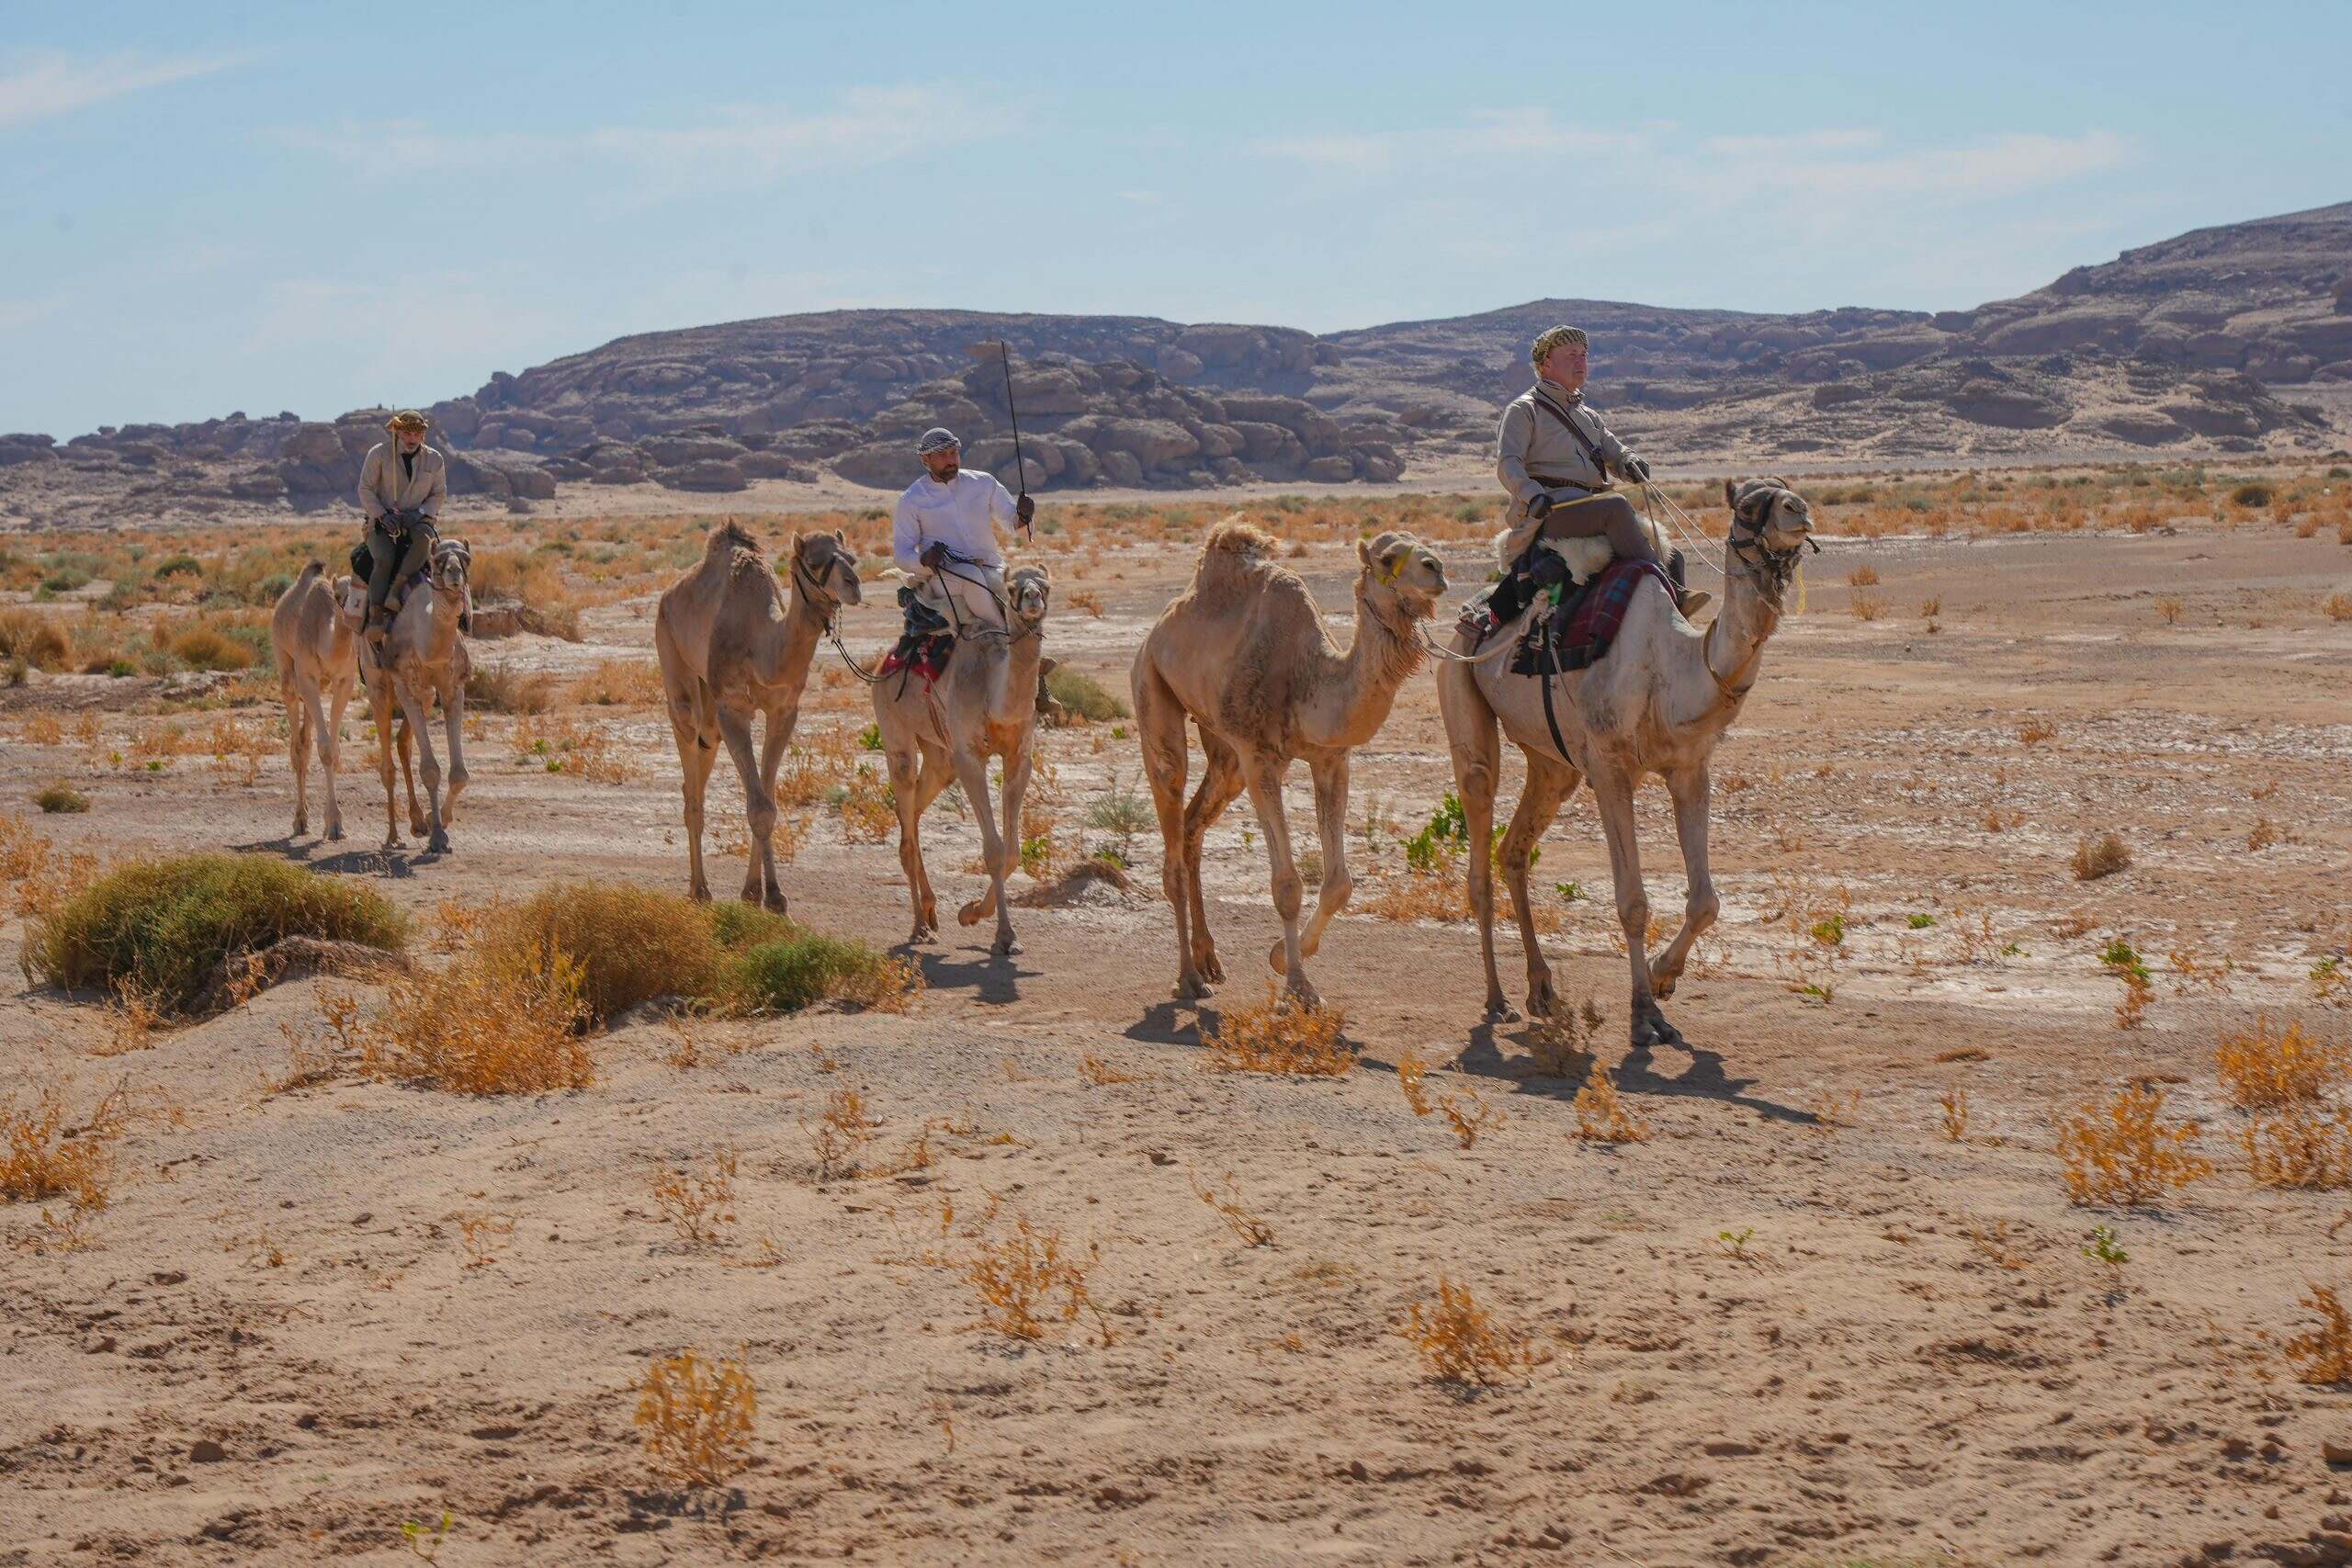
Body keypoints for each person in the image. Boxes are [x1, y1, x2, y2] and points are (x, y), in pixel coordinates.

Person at [1484, 326, 1706, 631]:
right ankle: (1672, 593)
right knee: (1616, 508)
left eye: (1584, 355)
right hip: (1548, 513)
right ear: (1545, 364)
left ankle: (1665, 631)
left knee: (1674, 555)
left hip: (1591, 508)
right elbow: (1508, 462)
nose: (1581, 362)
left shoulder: (1588, 416)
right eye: (1571, 355)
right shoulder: (1524, 410)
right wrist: (1532, 494)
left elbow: (1615, 451)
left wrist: (1629, 461)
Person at [889, 427, 1054, 714]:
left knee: (1028, 591)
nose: (952, 460)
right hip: (942, 578)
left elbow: (1013, 523)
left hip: (993, 570)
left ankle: (1036, 682)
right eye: (943, 455)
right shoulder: (912, 499)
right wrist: (924, 560)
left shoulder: (983, 483)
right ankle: (1004, 641)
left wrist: (1025, 516)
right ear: (926, 459)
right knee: (974, 579)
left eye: (954, 453)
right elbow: (902, 555)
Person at [356, 411, 449, 644]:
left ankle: (396, 590)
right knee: (384, 558)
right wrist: (381, 515)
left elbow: (439, 494)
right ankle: (376, 614)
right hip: (383, 522)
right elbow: (365, 489)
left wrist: (418, 514)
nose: (411, 438)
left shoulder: (435, 459)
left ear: (423, 435)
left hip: (419, 520)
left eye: (417, 433)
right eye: (406, 433)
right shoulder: (379, 454)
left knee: (425, 542)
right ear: (396, 432)